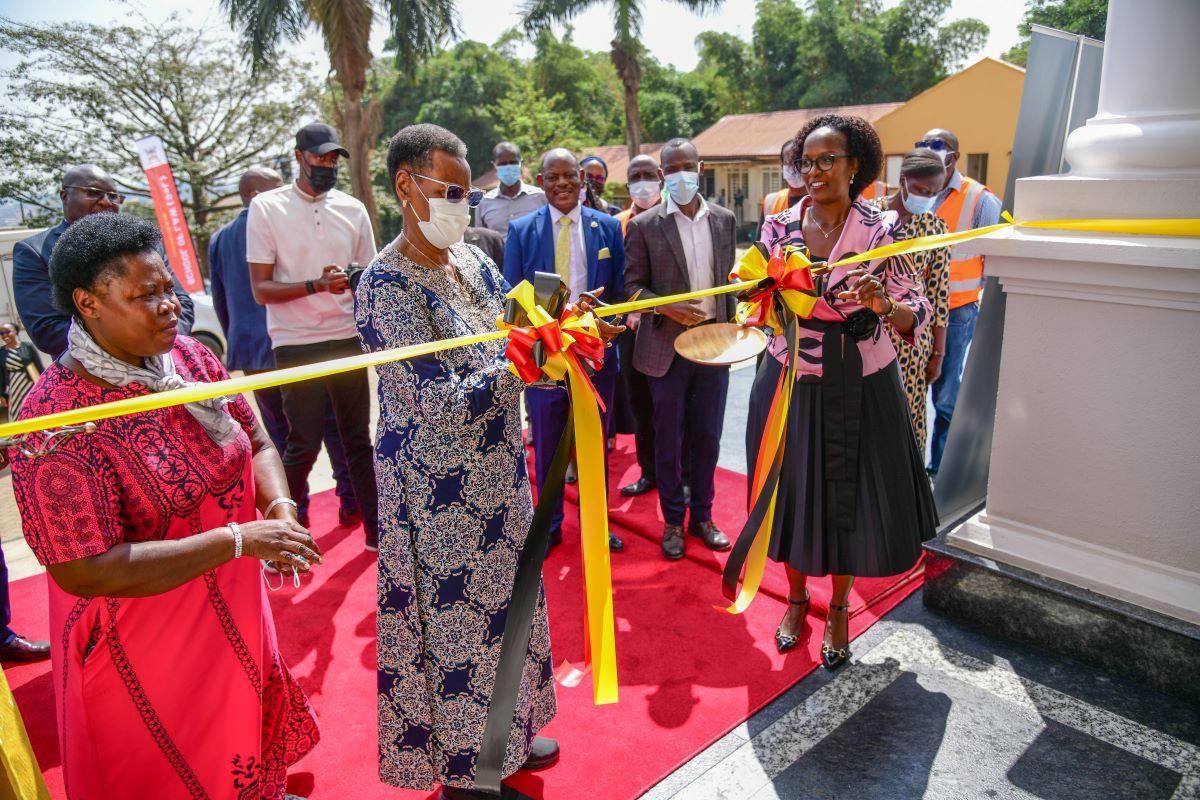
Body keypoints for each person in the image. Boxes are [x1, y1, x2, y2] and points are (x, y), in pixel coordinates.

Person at [10, 212, 321, 798]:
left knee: (243, 740)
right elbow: (82, 569)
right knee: (172, 765)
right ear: (88, 303)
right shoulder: (56, 420)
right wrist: (236, 540)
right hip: (143, 642)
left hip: (232, 603)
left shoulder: (189, 361)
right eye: (144, 295)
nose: (170, 305)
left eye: (169, 288)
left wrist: (278, 507)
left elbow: (252, 438)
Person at [357, 123, 559, 800]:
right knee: (461, 630)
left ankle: (514, 730)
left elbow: (516, 328)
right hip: (438, 494)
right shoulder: (386, 284)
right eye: (449, 191)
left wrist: (565, 336)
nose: (461, 208)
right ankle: (473, 770)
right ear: (405, 186)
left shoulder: (471, 260)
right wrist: (522, 362)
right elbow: (430, 401)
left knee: (515, 610)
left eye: (467, 195)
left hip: (500, 472)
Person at [752, 114, 936, 667]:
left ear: (855, 165)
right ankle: (796, 599)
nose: (815, 171)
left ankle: (837, 610)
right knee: (793, 497)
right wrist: (778, 331)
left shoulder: (883, 231)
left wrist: (883, 305)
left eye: (828, 160)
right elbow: (760, 307)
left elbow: (916, 312)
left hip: (862, 378)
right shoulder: (778, 229)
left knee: (846, 498)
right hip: (794, 379)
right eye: (806, 161)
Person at [246, 122, 380, 550]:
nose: (326, 165)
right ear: (299, 157)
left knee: (357, 437)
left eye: (332, 158)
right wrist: (315, 286)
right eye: (319, 156)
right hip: (295, 341)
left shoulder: (353, 208)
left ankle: (378, 534)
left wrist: (350, 279)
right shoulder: (266, 207)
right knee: (301, 443)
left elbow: (369, 275)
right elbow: (260, 290)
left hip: (346, 337)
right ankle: (282, 532)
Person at [210, 167, 361, 529]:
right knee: (330, 425)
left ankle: (297, 513)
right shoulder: (281, 221)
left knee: (278, 435)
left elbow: (220, 300)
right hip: (295, 342)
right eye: (276, 189)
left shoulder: (220, 238)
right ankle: (349, 501)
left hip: (255, 350)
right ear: (255, 196)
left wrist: (239, 341)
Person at [504, 148, 627, 552]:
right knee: (549, 444)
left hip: (594, 356)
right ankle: (549, 525)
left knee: (594, 445)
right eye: (553, 177)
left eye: (570, 176)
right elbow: (511, 300)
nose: (562, 184)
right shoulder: (522, 230)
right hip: (545, 361)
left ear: (582, 179)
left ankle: (597, 522)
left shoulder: (607, 227)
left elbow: (621, 292)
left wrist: (601, 316)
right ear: (541, 182)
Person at [625, 138, 737, 560]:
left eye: (687, 167)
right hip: (665, 351)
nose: (680, 175)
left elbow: (729, 282)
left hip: (713, 344)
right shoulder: (644, 226)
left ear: (700, 168)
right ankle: (672, 520)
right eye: (671, 169)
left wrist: (736, 323)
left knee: (707, 436)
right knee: (668, 439)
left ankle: (702, 516)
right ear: (662, 176)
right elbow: (632, 289)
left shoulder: (724, 221)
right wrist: (667, 307)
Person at [13, 163, 195, 358]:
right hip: (93, 378)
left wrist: (163, 344)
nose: (106, 201)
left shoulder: (145, 245)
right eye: (93, 192)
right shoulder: (35, 251)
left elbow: (183, 303)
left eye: (113, 196)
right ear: (64, 196)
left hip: (164, 366)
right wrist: (130, 348)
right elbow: (47, 331)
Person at [915, 128, 1003, 477]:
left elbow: (993, 262)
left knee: (946, 399)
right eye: (922, 145)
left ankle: (942, 471)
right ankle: (913, 467)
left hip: (955, 313)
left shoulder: (979, 200)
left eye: (936, 146)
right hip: (914, 313)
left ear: (954, 155)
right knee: (911, 392)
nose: (927, 151)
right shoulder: (916, 191)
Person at [873, 149, 950, 454]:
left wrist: (938, 354)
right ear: (902, 181)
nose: (927, 198)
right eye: (921, 190)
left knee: (907, 419)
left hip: (911, 342)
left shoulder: (936, 228)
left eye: (934, 193)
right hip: (868, 335)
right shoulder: (869, 216)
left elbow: (940, 293)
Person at [614, 154, 663, 497]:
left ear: (659, 178)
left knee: (675, 405)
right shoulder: (614, 224)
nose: (643, 182)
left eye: (649, 174)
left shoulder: (674, 217)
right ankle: (649, 470)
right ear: (628, 182)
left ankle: (683, 475)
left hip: (669, 326)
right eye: (636, 176)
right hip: (631, 331)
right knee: (641, 403)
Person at [473, 141, 547, 238]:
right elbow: (480, 239)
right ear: (494, 166)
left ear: (521, 163)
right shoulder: (484, 202)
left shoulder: (540, 197)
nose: (508, 167)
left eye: (513, 163)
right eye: (502, 164)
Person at [0, 322, 44, 418]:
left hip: (30, 383)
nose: (4, 335)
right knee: (16, 410)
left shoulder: (27, 347)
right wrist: (1, 394)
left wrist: (44, 386)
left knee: (33, 408)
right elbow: (1, 375)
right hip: (13, 386)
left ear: (15, 331)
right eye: (1, 334)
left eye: (7, 332)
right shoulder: (1, 352)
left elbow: (39, 367)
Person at [761, 139, 807, 226]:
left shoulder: (820, 201)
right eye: (789, 163)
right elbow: (761, 239)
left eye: (799, 162)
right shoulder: (771, 202)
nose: (794, 168)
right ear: (782, 167)